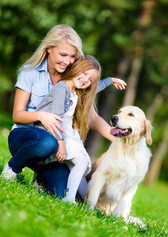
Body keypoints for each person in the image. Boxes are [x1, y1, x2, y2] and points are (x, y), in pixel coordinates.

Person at [1, 24, 126, 199]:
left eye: (73, 56)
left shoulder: (74, 76)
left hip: (54, 148)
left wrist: (119, 139)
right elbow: (17, 115)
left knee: (61, 193)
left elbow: (92, 113)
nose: (67, 61)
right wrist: (40, 115)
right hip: (26, 137)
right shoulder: (30, 73)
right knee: (48, 142)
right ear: (49, 49)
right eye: (63, 55)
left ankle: (41, 178)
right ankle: (13, 167)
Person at [35, 55, 101, 204]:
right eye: (84, 73)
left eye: (90, 79)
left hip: (66, 135)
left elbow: (97, 85)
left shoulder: (76, 91)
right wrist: (61, 143)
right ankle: (70, 198)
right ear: (76, 68)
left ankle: (89, 204)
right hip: (55, 134)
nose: (85, 80)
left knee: (81, 163)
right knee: (81, 161)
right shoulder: (62, 88)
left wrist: (111, 81)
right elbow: (56, 116)